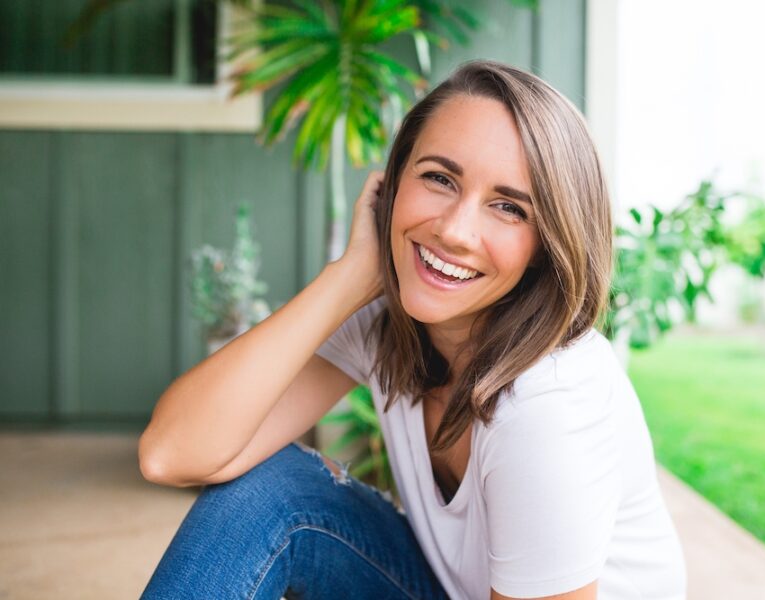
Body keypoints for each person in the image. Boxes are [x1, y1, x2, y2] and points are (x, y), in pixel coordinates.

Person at [138, 59, 687, 600]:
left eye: (508, 208)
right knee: (272, 489)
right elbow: (173, 453)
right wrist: (350, 276)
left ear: (547, 245)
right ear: (391, 186)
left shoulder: (551, 402)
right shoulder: (385, 323)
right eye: (439, 178)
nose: (454, 230)